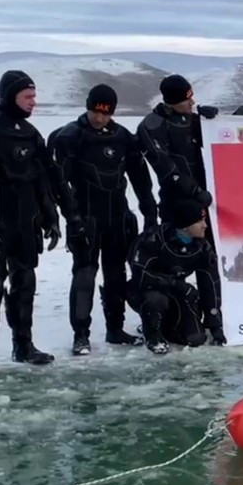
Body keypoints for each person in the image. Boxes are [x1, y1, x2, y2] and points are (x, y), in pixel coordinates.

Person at [0, 70, 81, 376]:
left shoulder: (30, 133)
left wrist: (52, 215)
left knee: (25, 283)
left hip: (26, 221)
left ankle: (23, 345)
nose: (33, 102)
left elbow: (46, 178)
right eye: (28, 96)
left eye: (35, 96)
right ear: (10, 95)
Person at [48, 84, 158, 356]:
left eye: (106, 113)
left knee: (116, 273)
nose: (100, 118)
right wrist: (71, 218)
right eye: (96, 112)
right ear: (88, 107)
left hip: (118, 216)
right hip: (86, 218)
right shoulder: (69, 137)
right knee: (84, 274)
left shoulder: (123, 137)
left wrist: (149, 212)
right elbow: (58, 184)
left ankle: (115, 328)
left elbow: (141, 179)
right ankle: (81, 335)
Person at [126, 200, 226, 354]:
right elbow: (141, 276)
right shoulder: (153, 240)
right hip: (144, 290)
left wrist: (215, 324)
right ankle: (153, 333)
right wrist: (177, 285)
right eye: (200, 221)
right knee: (156, 300)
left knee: (195, 338)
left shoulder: (202, 247)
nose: (205, 225)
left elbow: (211, 283)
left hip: (176, 293)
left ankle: (168, 326)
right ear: (185, 226)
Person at [136, 75, 216, 240]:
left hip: (204, 200)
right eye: (187, 99)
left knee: (208, 255)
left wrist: (214, 123)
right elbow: (165, 167)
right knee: (179, 255)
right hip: (176, 205)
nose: (192, 103)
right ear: (172, 101)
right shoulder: (153, 126)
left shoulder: (191, 120)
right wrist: (195, 190)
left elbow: (219, 145)